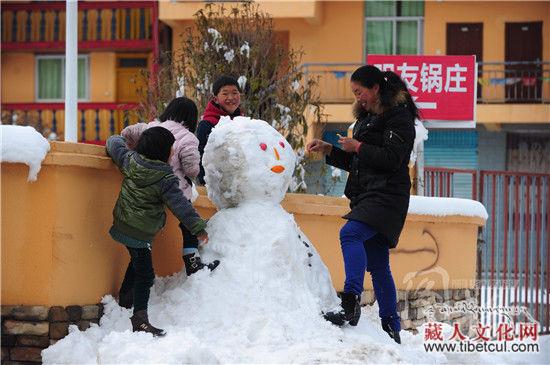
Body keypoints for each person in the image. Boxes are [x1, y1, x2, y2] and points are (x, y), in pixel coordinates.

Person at [306, 65, 418, 344]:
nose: (358, 98)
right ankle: (391, 327)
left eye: (360, 92)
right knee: (379, 265)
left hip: (388, 196)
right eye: (355, 93)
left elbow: (391, 159)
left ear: (376, 88)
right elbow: (361, 162)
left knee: (350, 233)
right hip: (367, 194)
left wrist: (358, 147)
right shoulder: (366, 119)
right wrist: (331, 150)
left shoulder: (399, 119)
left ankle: (350, 301)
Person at [106, 127, 209, 337]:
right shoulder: (165, 178)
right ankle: (140, 320)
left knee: (137, 259)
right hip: (140, 231)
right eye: (171, 148)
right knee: (146, 274)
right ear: (162, 151)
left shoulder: (129, 160)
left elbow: (113, 143)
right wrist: (198, 227)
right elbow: (181, 205)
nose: (173, 152)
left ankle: (126, 298)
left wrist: (121, 138)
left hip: (123, 223)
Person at [122, 97, 220, 276]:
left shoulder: (150, 127)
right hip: (173, 189)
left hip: (146, 188)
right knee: (188, 221)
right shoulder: (188, 137)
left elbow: (126, 133)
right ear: (191, 117)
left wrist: (136, 154)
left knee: (144, 237)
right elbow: (191, 171)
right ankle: (192, 262)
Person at [196, 75, 243, 184]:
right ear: (215, 99)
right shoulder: (207, 125)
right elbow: (201, 157)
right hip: (215, 187)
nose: (231, 97)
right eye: (225, 94)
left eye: (235, 93)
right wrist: (206, 184)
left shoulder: (242, 123)